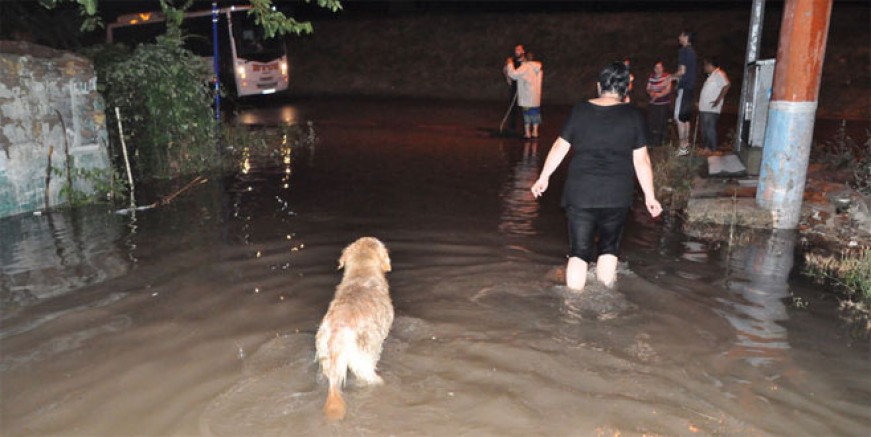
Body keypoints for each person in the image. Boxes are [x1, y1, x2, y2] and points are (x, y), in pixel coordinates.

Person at [530, 61, 662, 291]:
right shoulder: (634, 116)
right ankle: (605, 305)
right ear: (626, 89)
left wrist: (544, 177)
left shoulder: (580, 110)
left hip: (580, 193)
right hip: (617, 195)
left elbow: (560, 146)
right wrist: (650, 197)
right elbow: (642, 160)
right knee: (609, 249)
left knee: (579, 252)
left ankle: (571, 311)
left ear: (599, 85)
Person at [505, 51, 543, 139]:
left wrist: (510, 64)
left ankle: (527, 133)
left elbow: (513, 74)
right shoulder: (538, 67)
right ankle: (535, 132)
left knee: (527, 114)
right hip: (535, 96)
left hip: (527, 95)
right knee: (535, 113)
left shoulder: (526, 67)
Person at [672, 30, 697, 156]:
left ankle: (682, 148)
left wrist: (670, 77)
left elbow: (682, 71)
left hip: (684, 88)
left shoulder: (684, 51)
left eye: (681, 35)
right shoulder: (692, 52)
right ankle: (686, 145)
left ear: (686, 37)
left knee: (678, 118)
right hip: (690, 88)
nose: (679, 37)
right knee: (686, 118)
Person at [698, 57, 731, 154]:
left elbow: (727, 85)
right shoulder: (711, 76)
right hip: (704, 107)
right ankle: (706, 148)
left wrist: (718, 100)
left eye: (706, 65)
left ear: (711, 65)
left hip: (711, 108)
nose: (704, 67)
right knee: (704, 129)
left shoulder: (719, 74)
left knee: (710, 129)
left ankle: (713, 149)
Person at [645, 60, 673, 146]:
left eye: (659, 67)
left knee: (662, 122)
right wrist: (651, 93)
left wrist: (657, 95)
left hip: (663, 103)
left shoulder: (667, 76)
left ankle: (661, 141)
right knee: (652, 122)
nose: (657, 69)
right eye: (656, 67)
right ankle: (651, 140)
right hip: (653, 103)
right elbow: (648, 88)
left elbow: (668, 90)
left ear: (662, 68)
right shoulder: (651, 76)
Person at [502, 44, 526, 136]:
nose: (517, 52)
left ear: (523, 51)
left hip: (523, 88)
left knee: (524, 108)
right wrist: (508, 79)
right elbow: (505, 70)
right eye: (516, 50)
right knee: (513, 108)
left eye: (519, 50)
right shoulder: (512, 61)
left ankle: (526, 129)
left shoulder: (526, 63)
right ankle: (512, 128)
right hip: (515, 87)